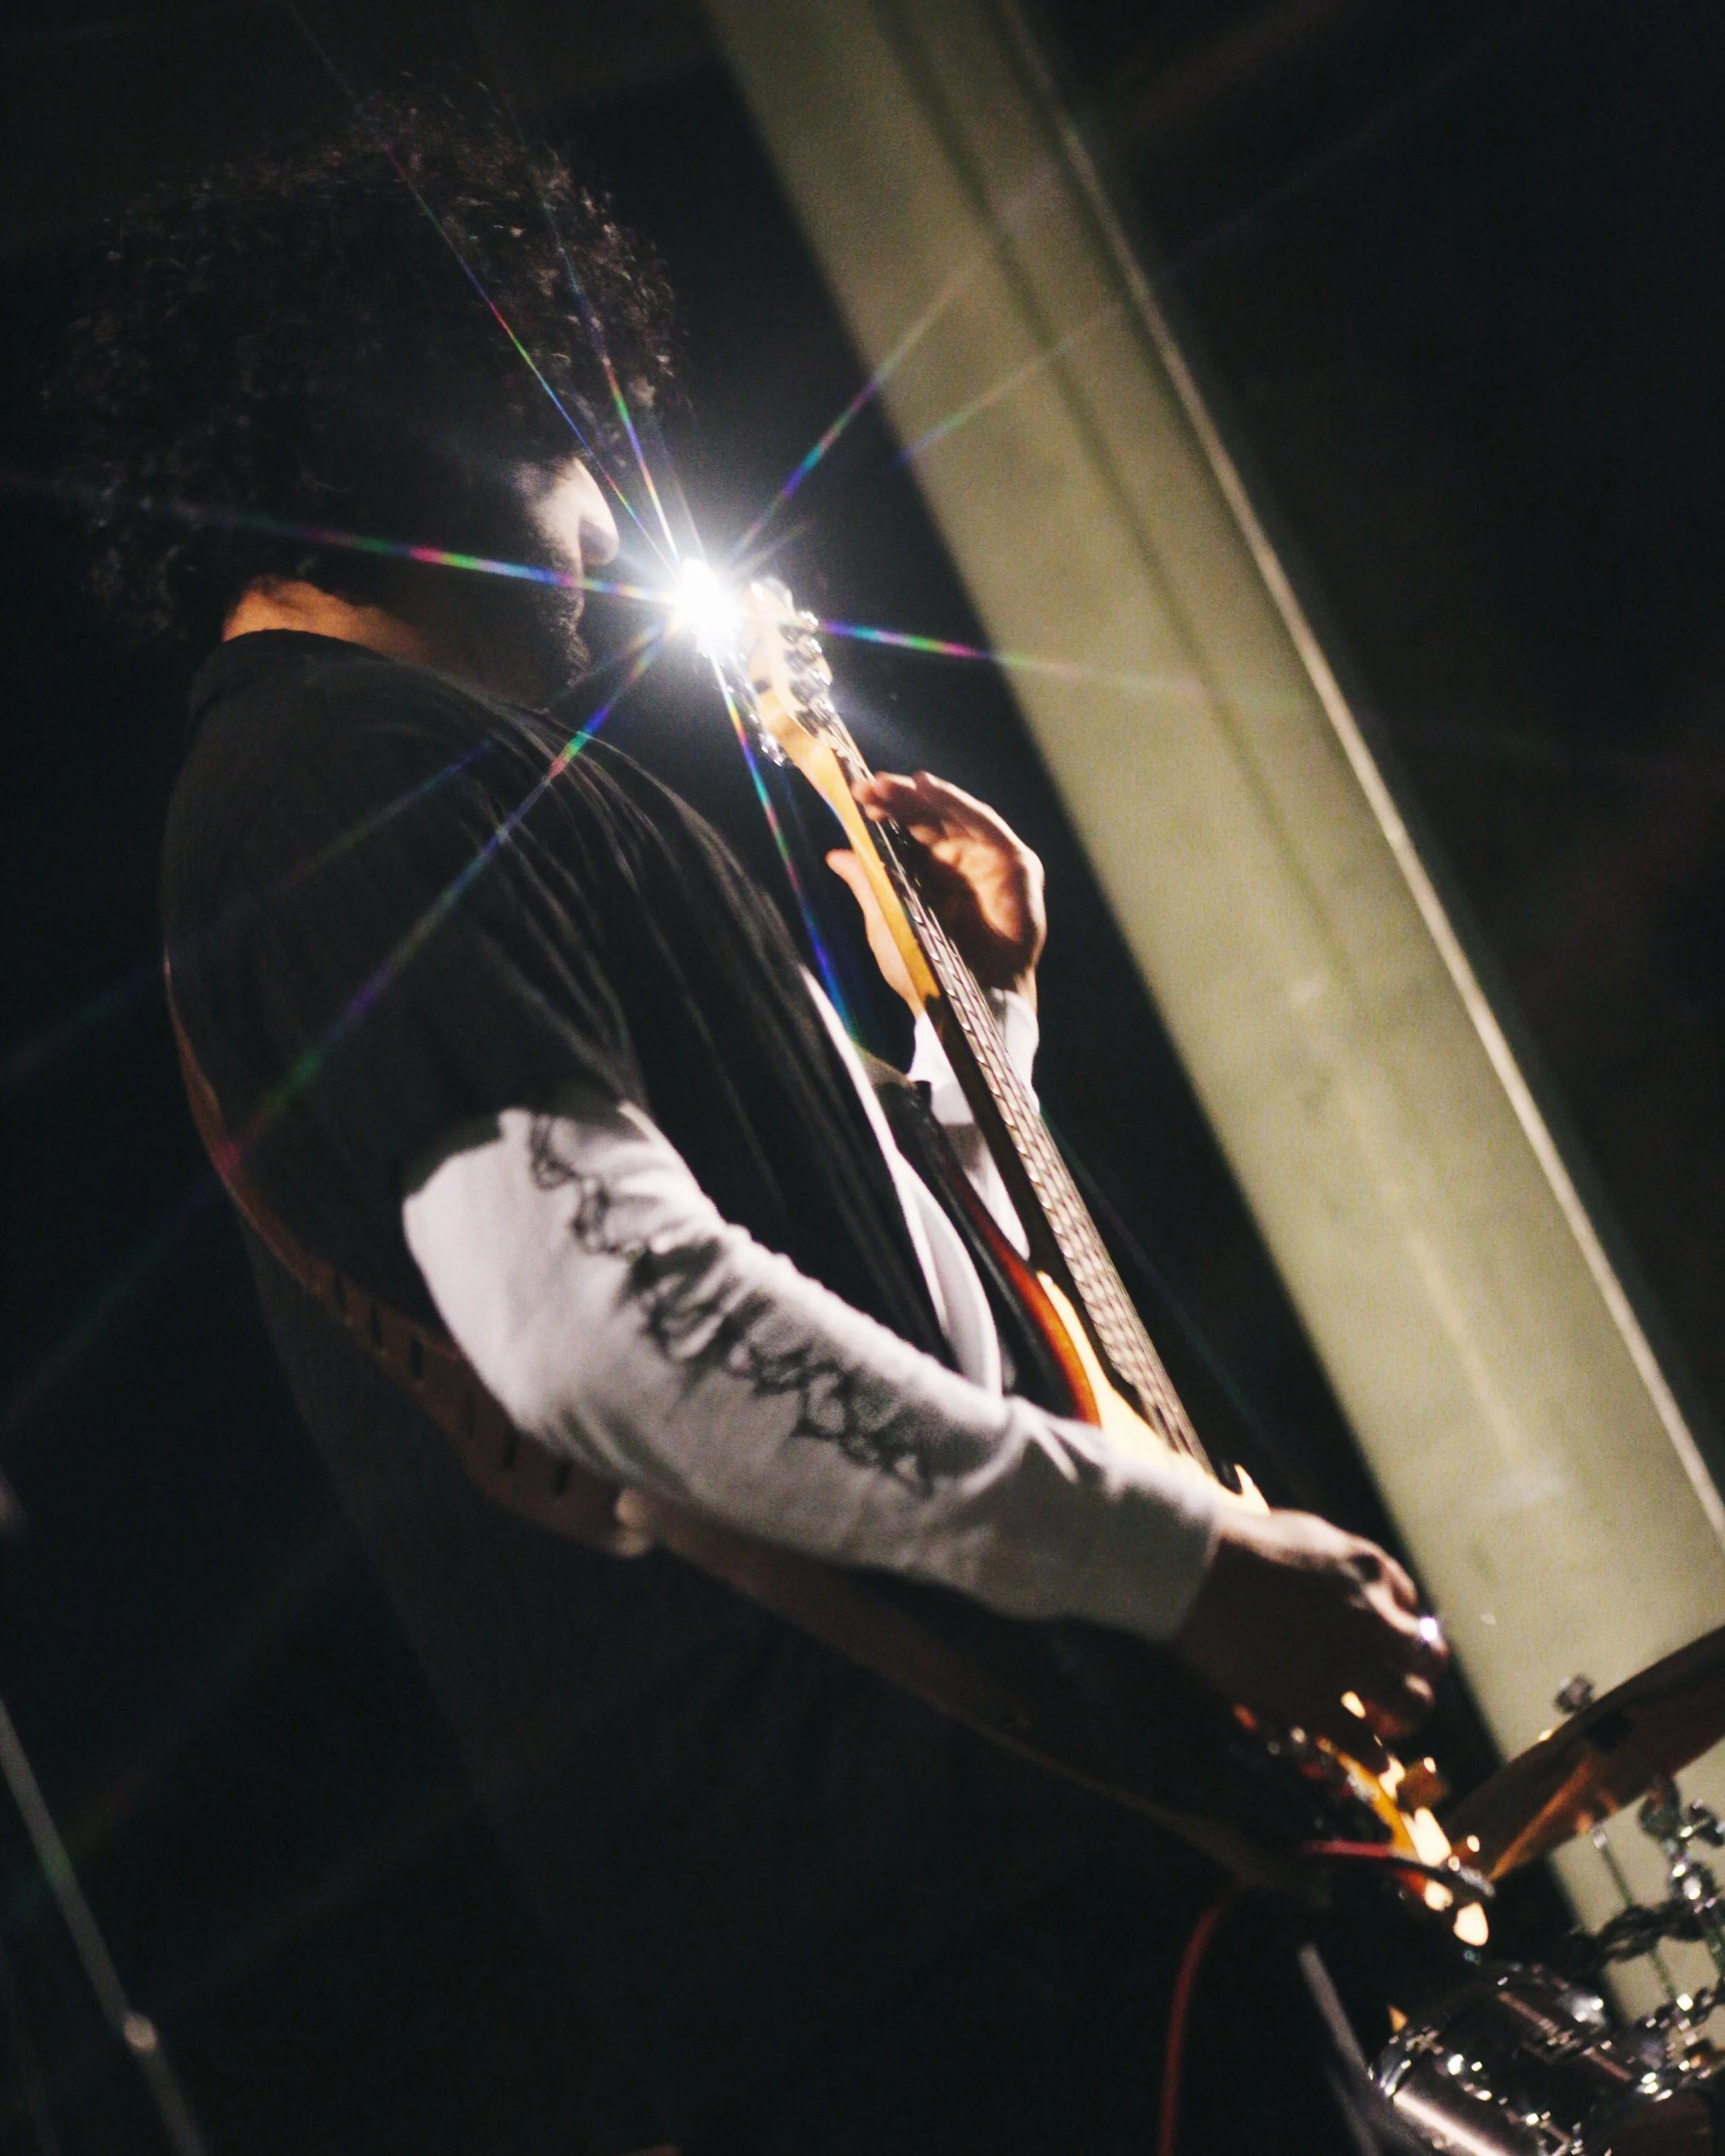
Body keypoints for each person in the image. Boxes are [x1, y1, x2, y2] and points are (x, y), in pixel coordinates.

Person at [68, 92, 1446, 2153]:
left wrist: (974, 1066)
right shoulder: (331, 783)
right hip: (937, 1933)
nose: (605, 530)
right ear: (430, 434)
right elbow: (599, 1321)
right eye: (569, 452)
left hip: (1027, 1879)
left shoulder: (446, 773)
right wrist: (1184, 1560)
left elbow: (801, 1263)